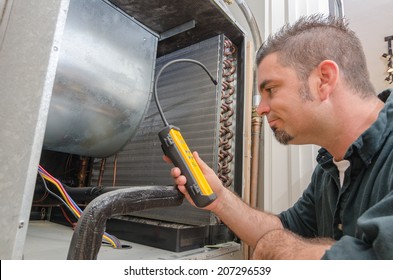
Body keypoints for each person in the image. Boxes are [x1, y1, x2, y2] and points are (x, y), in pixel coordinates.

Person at [165, 14, 393, 259]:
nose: (261, 108)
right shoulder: (329, 169)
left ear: (324, 79)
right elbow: (287, 229)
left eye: (271, 89)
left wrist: (282, 249)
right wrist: (219, 199)